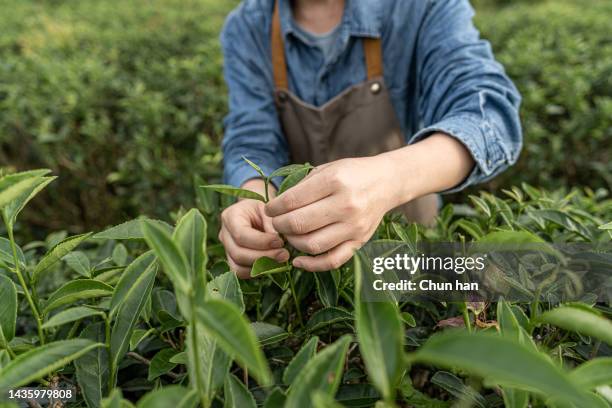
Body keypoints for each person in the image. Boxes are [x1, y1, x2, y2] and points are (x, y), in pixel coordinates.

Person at [218, 0, 522, 278]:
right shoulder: (247, 27)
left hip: (412, 257)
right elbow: (251, 140)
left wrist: (391, 177)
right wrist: (255, 200)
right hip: (306, 269)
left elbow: (491, 117)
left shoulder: (422, 8)